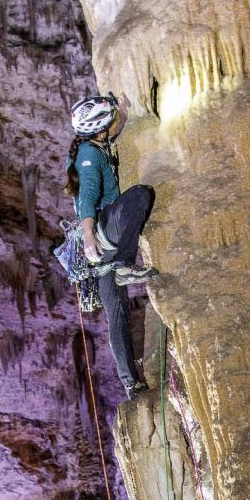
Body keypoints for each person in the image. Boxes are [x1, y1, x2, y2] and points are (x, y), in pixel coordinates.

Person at [64, 94, 157, 401]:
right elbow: (88, 194)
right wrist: (90, 233)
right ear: (101, 128)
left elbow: (111, 136)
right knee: (141, 195)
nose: (117, 120)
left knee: (116, 316)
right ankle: (123, 265)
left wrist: (126, 115)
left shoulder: (93, 146)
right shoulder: (90, 154)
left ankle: (131, 384)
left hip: (99, 258)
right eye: (113, 117)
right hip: (102, 234)